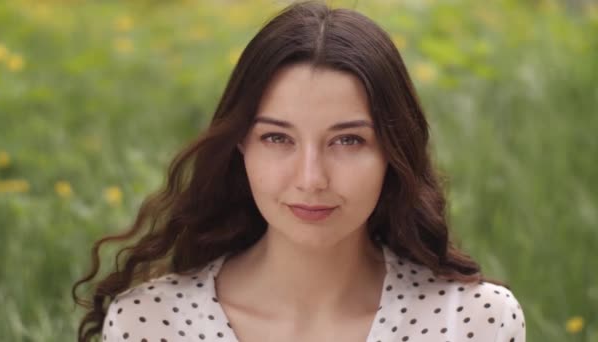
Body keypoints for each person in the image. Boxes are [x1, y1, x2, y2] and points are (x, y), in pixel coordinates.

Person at [72, 1, 526, 341]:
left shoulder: (473, 320)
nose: (311, 178)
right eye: (277, 138)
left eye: (348, 140)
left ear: (394, 151)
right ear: (240, 145)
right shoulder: (151, 323)